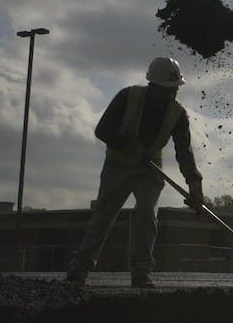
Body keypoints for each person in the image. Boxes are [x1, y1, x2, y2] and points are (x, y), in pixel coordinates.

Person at [66, 57, 204, 288]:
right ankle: (79, 270)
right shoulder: (128, 97)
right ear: (153, 86)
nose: (172, 94)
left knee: (147, 215)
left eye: (175, 89)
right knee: (103, 216)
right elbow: (103, 130)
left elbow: (184, 151)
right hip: (117, 168)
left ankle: (142, 272)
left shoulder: (177, 113)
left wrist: (194, 183)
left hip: (149, 171)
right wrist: (129, 146)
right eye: (167, 90)